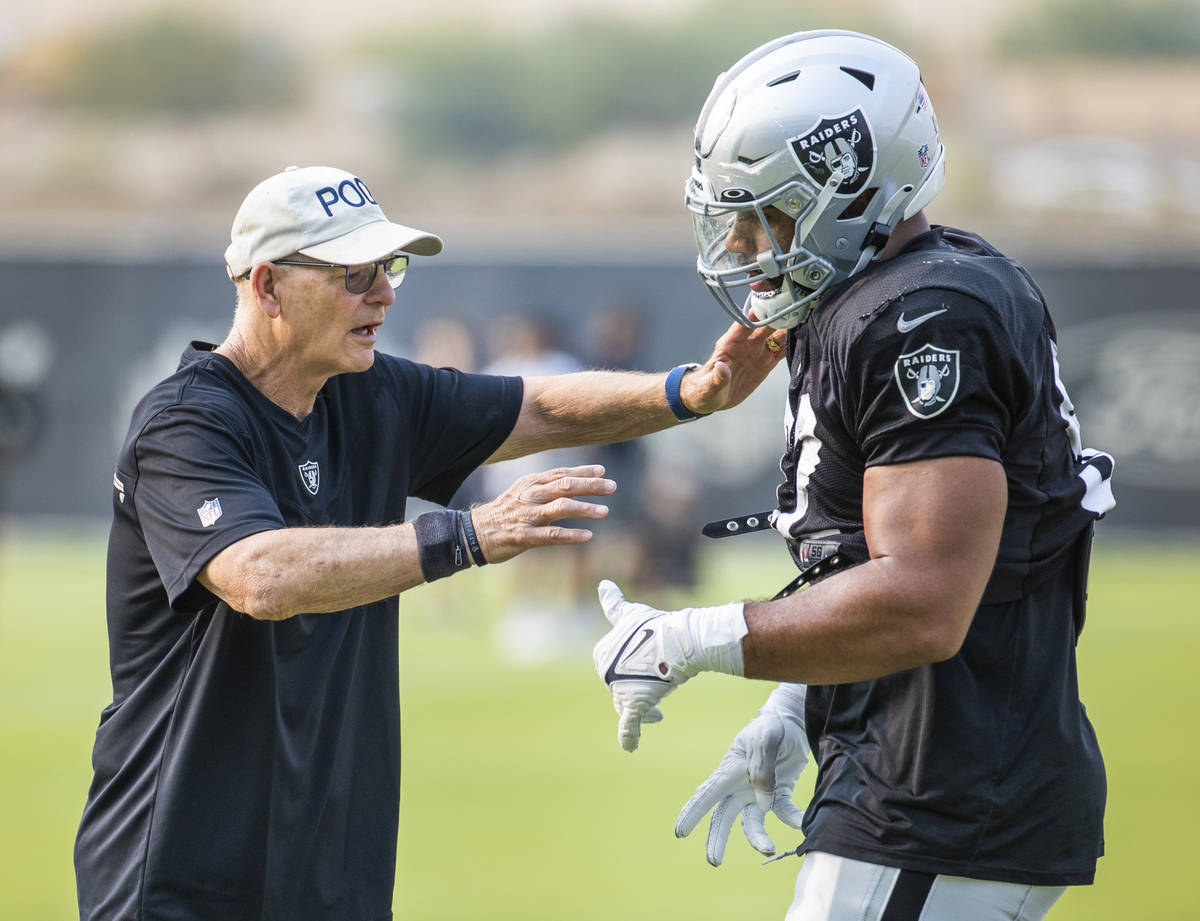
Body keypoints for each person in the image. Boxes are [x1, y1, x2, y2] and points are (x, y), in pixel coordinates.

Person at [73, 164, 787, 921]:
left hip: (332, 877)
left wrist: (690, 392)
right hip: (184, 875)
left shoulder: (371, 391)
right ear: (267, 285)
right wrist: (467, 536)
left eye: (389, 267)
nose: (383, 292)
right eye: (354, 273)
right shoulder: (187, 422)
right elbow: (261, 576)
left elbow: (536, 406)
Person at [593, 30, 1115, 921]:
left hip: (947, 805)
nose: (739, 241)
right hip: (913, 785)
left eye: (767, 212)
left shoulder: (924, 316)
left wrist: (694, 638)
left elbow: (924, 597)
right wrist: (797, 709)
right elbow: (870, 561)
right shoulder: (873, 297)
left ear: (853, 192)